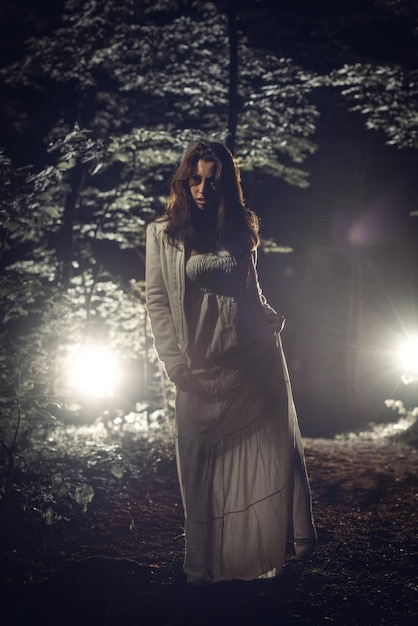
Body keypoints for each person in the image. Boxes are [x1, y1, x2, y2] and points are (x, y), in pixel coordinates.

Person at [145, 141, 316, 585]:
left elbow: (249, 286)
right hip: (199, 366)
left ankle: (261, 552)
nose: (202, 188)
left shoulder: (238, 226)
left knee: (271, 448)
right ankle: (202, 565)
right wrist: (173, 361)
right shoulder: (162, 232)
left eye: (212, 181)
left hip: (252, 356)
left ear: (226, 186)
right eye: (195, 179)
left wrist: (269, 317)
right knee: (199, 460)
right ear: (184, 180)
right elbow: (158, 302)